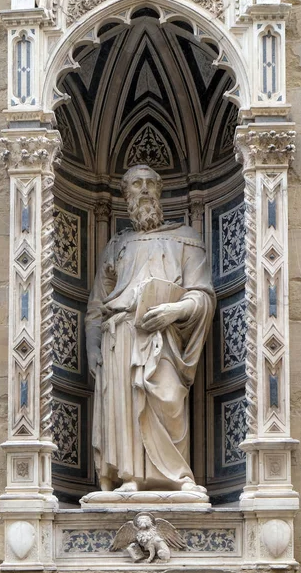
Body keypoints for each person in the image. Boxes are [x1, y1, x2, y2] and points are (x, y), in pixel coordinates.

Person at [85, 164, 216, 493]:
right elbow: (96, 306)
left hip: (164, 336)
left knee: (167, 398)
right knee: (125, 410)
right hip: (120, 334)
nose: (143, 190)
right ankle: (129, 476)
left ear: (160, 191)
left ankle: (177, 476)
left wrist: (175, 310)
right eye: (135, 185)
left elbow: (203, 296)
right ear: (126, 196)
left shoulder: (186, 239)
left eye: (149, 184)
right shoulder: (117, 245)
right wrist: (92, 347)